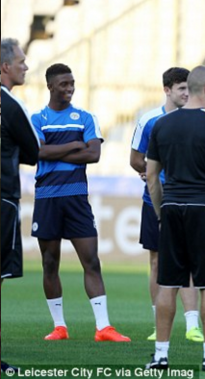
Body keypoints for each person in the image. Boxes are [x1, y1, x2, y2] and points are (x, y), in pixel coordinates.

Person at [145, 65, 205, 372]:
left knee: (168, 283)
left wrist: (161, 212)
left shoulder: (162, 124)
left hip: (172, 207)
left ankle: (160, 355)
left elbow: (151, 177)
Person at [30, 63, 130, 343]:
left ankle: (103, 327)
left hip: (76, 198)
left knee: (91, 261)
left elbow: (94, 154)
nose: (70, 88)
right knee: (50, 262)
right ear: (50, 86)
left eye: (72, 83)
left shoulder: (85, 117)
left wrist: (55, 152)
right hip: (47, 198)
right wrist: (74, 145)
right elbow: (37, 151)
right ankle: (59, 326)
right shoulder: (37, 118)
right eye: (63, 84)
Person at [130, 67, 203, 342]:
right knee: (157, 260)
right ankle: (157, 323)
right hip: (156, 199)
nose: (186, 93)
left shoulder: (199, 119)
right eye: (181, 88)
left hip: (189, 198)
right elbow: (136, 159)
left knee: (190, 261)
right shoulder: (149, 120)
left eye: (188, 88)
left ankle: (192, 325)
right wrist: (151, 171)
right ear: (167, 90)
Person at [1, 38, 40, 373]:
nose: (25, 67)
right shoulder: (11, 105)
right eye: (22, 61)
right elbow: (32, 151)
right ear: (5, 67)